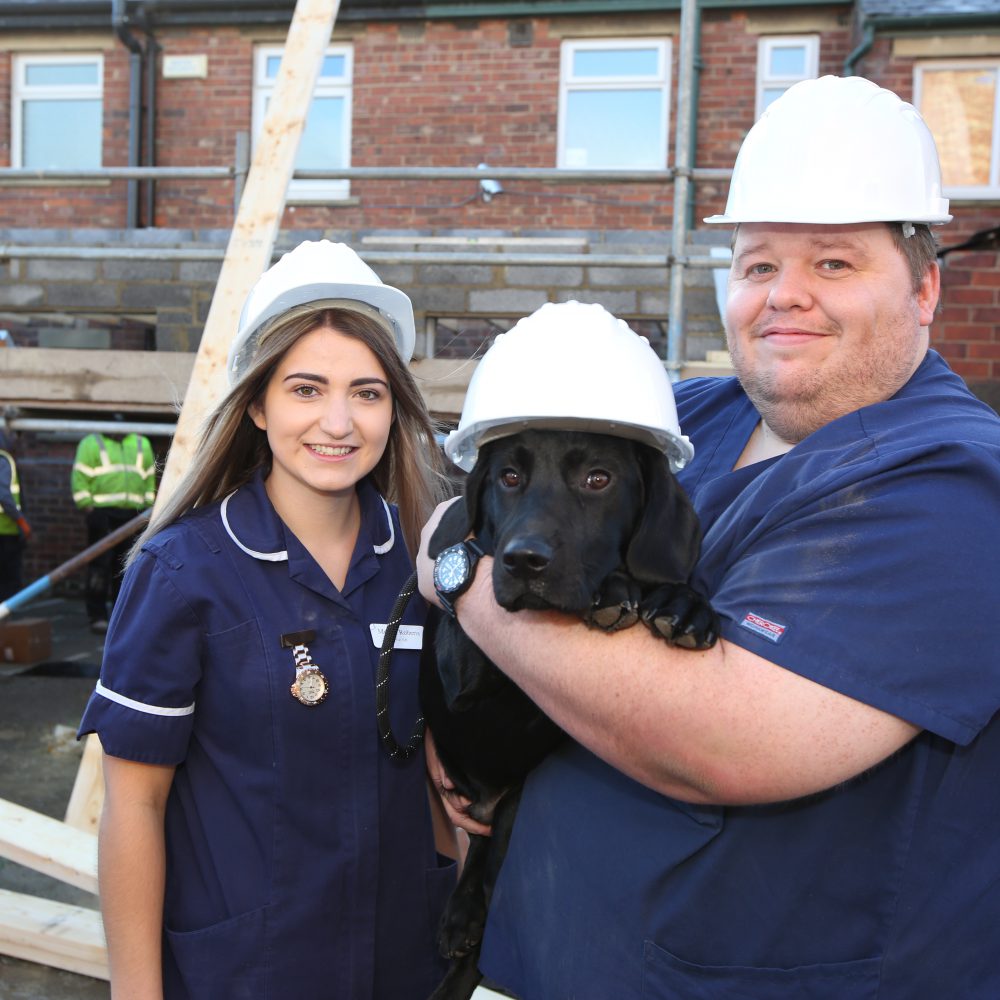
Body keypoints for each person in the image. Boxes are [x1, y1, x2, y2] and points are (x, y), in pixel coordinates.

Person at [416, 76, 1000, 998]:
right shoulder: (684, 416)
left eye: (834, 265)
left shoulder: (957, 487)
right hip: (537, 952)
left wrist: (461, 580)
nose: (786, 298)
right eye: (759, 265)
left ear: (926, 286)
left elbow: (720, 740)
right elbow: (470, 500)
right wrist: (458, 704)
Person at [78, 241, 455, 1000]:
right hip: (247, 975)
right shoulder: (184, 574)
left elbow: (445, 790)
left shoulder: (428, 566)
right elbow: (135, 807)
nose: (340, 422)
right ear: (257, 403)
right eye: (307, 389)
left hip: (405, 969)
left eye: (368, 393)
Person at [72, 425, 157, 633]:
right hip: (103, 514)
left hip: (134, 515)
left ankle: (123, 616)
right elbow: (80, 478)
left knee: (128, 566)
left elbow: (149, 477)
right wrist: (89, 508)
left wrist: (147, 508)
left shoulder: (140, 443)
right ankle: (97, 616)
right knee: (99, 567)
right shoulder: (91, 443)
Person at [0, 427, 32, 601]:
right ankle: (5, 624)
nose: (18, 441)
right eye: (16, 435)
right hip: (5, 531)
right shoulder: (4, 460)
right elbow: (4, 495)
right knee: (8, 581)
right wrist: (21, 522)